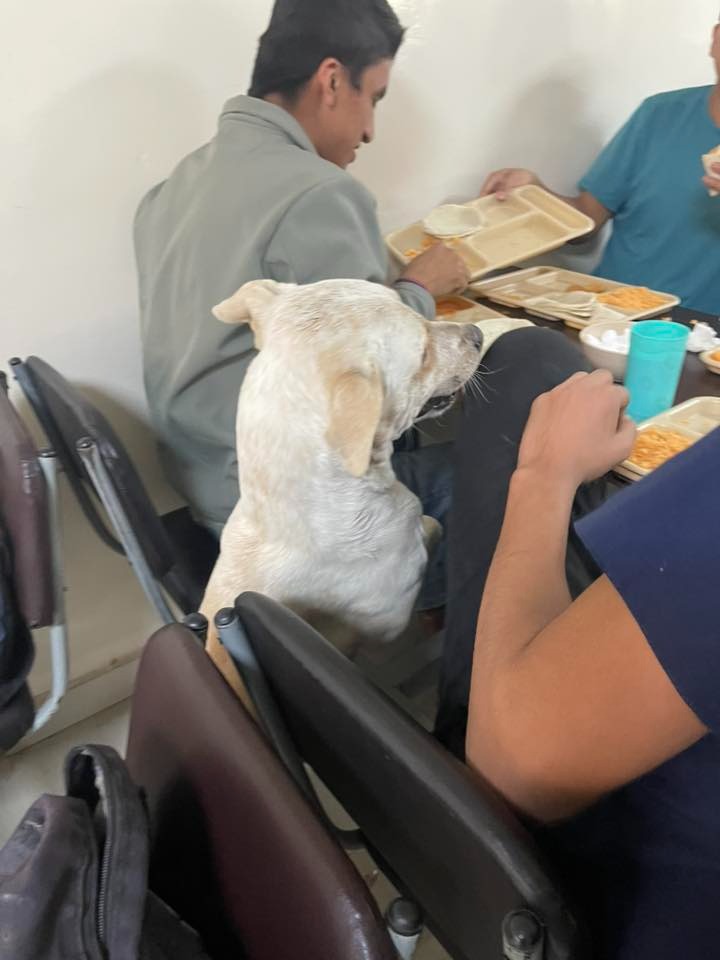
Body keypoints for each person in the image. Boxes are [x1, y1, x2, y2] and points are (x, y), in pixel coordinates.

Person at [134, 0, 467, 568]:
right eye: (374, 98)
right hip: (286, 515)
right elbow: (378, 384)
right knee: (514, 469)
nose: (370, 130)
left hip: (201, 483)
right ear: (332, 81)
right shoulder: (321, 193)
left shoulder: (173, 186)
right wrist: (419, 286)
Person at [450, 364, 720, 958]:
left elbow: (513, 769)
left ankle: (452, 771)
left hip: (615, 906)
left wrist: (543, 474)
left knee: (525, 364)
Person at [480, 18, 720, 315]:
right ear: (715, 39)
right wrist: (534, 194)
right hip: (604, 314)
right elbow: (586, 222)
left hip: (704, 332)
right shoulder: (659, 115)